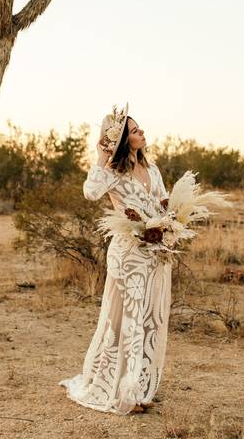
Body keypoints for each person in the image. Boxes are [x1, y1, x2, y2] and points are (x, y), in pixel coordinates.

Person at [58, 104, 173, 415]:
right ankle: (122, 390)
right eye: (135, 131)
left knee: (150, 319)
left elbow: (163, 205)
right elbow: (90, 192)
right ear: (123, 139)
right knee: (127, 320)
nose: (142, 133)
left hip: (154, 254)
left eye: (140, 129)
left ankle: (142, 387)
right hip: (127, 254)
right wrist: (100, 158)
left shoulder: (153, 170)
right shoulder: (113, 173)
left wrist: (169, 227)